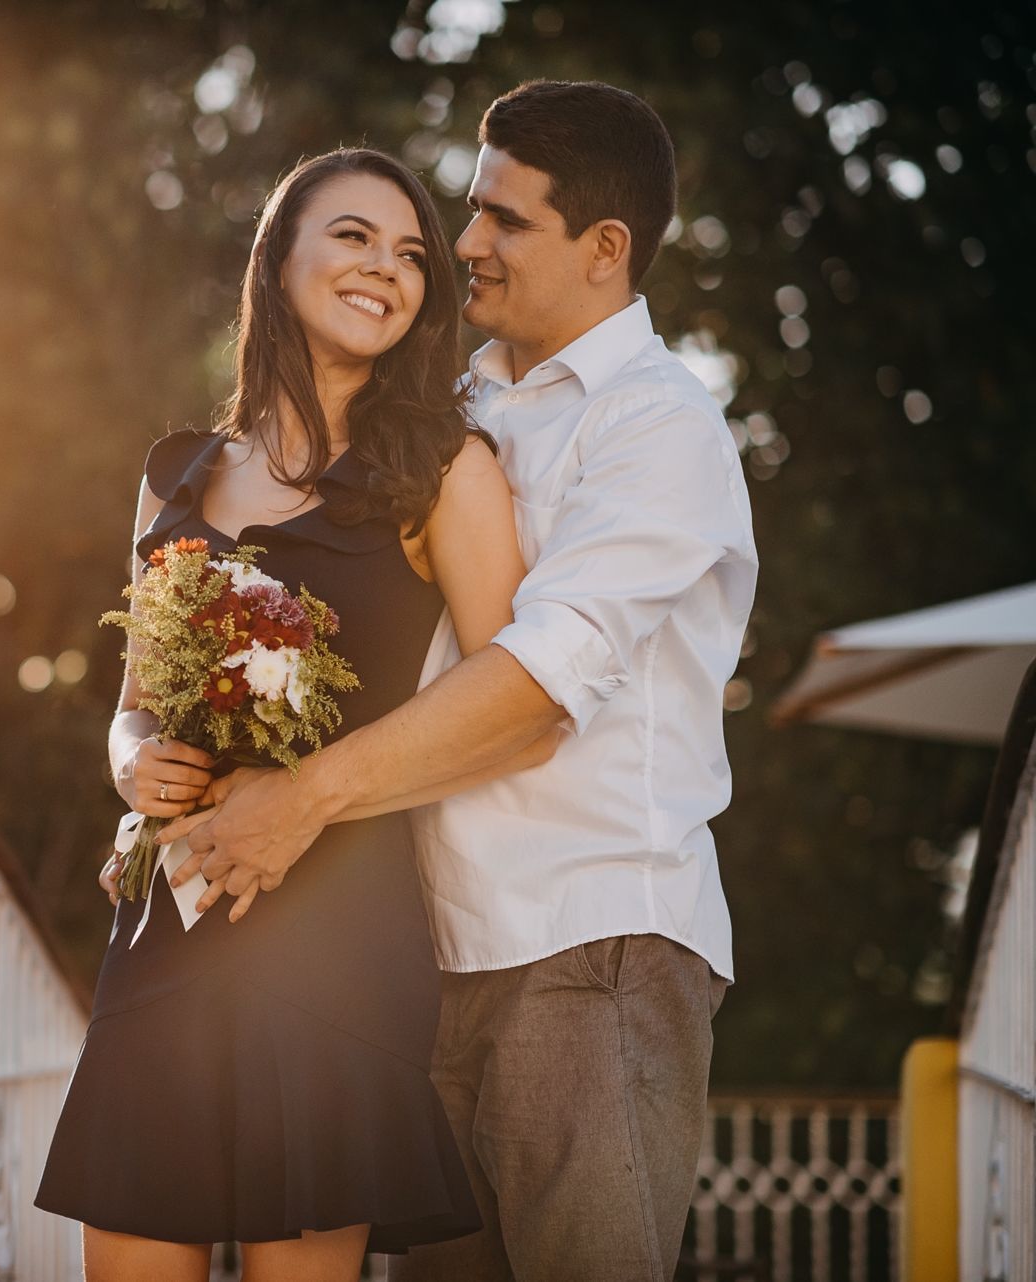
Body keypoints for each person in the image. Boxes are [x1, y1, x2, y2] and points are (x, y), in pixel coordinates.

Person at [162, 82, 759, 1282]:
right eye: (469, 210)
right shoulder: (445, 405)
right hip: (420, 952)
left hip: (590, 947)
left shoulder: (661, 431)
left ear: (605, 250)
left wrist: (301, 800)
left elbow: (540, 687)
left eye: (503, 219)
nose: (463, 242)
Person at [34, 147, 561, 1281]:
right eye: (356, 236)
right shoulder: (175, 470)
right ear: (278, 261)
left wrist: (322, 787)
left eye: (414, 253)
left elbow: (516, 695)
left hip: (338, 935)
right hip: (166, 925)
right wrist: (133, 766)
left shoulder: (445, 468)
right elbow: (130, 707)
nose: (390, 268)